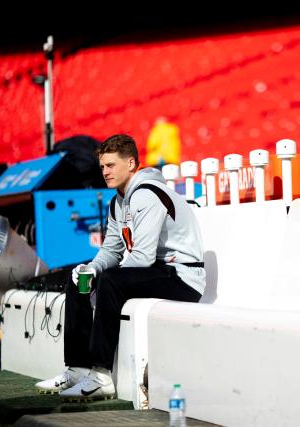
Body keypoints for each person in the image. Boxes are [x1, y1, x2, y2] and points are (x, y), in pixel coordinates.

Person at [35, 134, 205, 400]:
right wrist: (92, 270)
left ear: (131, 163)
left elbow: (143, 257)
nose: (105, 172)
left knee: (111, 281)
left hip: (182, 277)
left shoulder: (148, 194)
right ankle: (78, 368)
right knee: (79, 277)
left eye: (111, 165)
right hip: (156, 272)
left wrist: (103, 280)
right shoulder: (118, 201)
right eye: (102, 166)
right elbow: (111, 250)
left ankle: (101, 376)